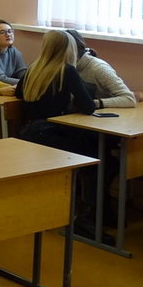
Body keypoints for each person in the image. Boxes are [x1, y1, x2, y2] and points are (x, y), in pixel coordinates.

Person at [16, 30, 104, 241]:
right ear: (68, 49)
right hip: (53, 137)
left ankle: (84, 211)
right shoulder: (67, 71)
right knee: (99, 158)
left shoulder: (33, 68)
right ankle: (87, 216)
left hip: (30, 133)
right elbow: (88, 107)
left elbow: (19, 93)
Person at [66, 30, 138, 108]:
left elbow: (129, 99)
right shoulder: (64, 67)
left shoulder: (99, 68)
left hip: (97, 113)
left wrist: (93, 103)